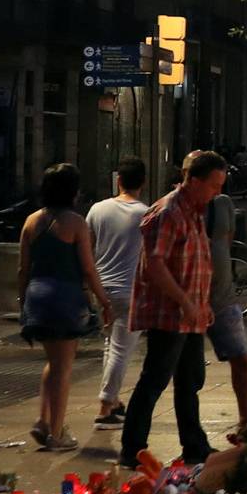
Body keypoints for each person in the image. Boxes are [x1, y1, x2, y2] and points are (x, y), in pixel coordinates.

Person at [119, 149, 228, 468]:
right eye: (213, 185)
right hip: (170, 314)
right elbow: (155, 264)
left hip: (191, 314)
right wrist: (184, 300)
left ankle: (195, 445)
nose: (217, 192)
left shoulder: (194, 211)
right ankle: (132, 448)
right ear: (193, 181)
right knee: (155, 379)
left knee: (190, 379)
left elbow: (196, 262)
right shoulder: (167, 212)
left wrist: (202, 304)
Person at [18, 164, 112, 452]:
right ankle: (57, 433)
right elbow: (88, 268)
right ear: (73, 191)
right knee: (63, 368)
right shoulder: (75, 223)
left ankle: (43, 420)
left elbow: (23, 269)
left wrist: (24, 304)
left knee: (53, 362)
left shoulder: (31, 221)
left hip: (37, 295)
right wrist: (104, 301)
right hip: (63, 297)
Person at [88, 157, 150, 427]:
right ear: (143, 183)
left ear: (118, 180)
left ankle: (113, 401)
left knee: (109, 346)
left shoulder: (97, 210)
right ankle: (105, 407)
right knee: (121, 351)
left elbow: (87, 250)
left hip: (101, 289)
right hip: (131, 291)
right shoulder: (145, 213)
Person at [204, 182, 247, 440]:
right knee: (182, 372)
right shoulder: (177, 207)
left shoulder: (222, 203)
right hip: (189, 301)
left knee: (241, 359)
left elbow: (225, 242)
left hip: (223, 299)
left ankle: (245, 422)